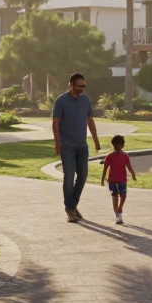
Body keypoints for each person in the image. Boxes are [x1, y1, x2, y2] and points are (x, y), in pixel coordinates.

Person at [53, 72, 101, 223]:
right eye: (79, 86)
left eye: (83, 86)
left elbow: (90, 120)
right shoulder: (61, 101)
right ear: (71, 84)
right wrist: (57, 143)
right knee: (68, 177)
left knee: (83, 176)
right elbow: (55, 123)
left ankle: (73, 205)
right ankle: (69, 209)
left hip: (82, 145)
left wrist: (95, 139)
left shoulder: (85, 100)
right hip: (67, 145)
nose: (82, 89)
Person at [101, 135, 137, 225]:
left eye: (121, 144)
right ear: (114, 145)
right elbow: (105, 168)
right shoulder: (109, 156)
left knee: (123, 195)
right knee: (115, 196)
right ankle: (118, 215)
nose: (120, 146)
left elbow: (129, 166)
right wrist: (102, 179)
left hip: (122, 179)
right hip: (112, 179)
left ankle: (120, 208)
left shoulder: (125, 156)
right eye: (118, 144)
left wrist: (133, 173)